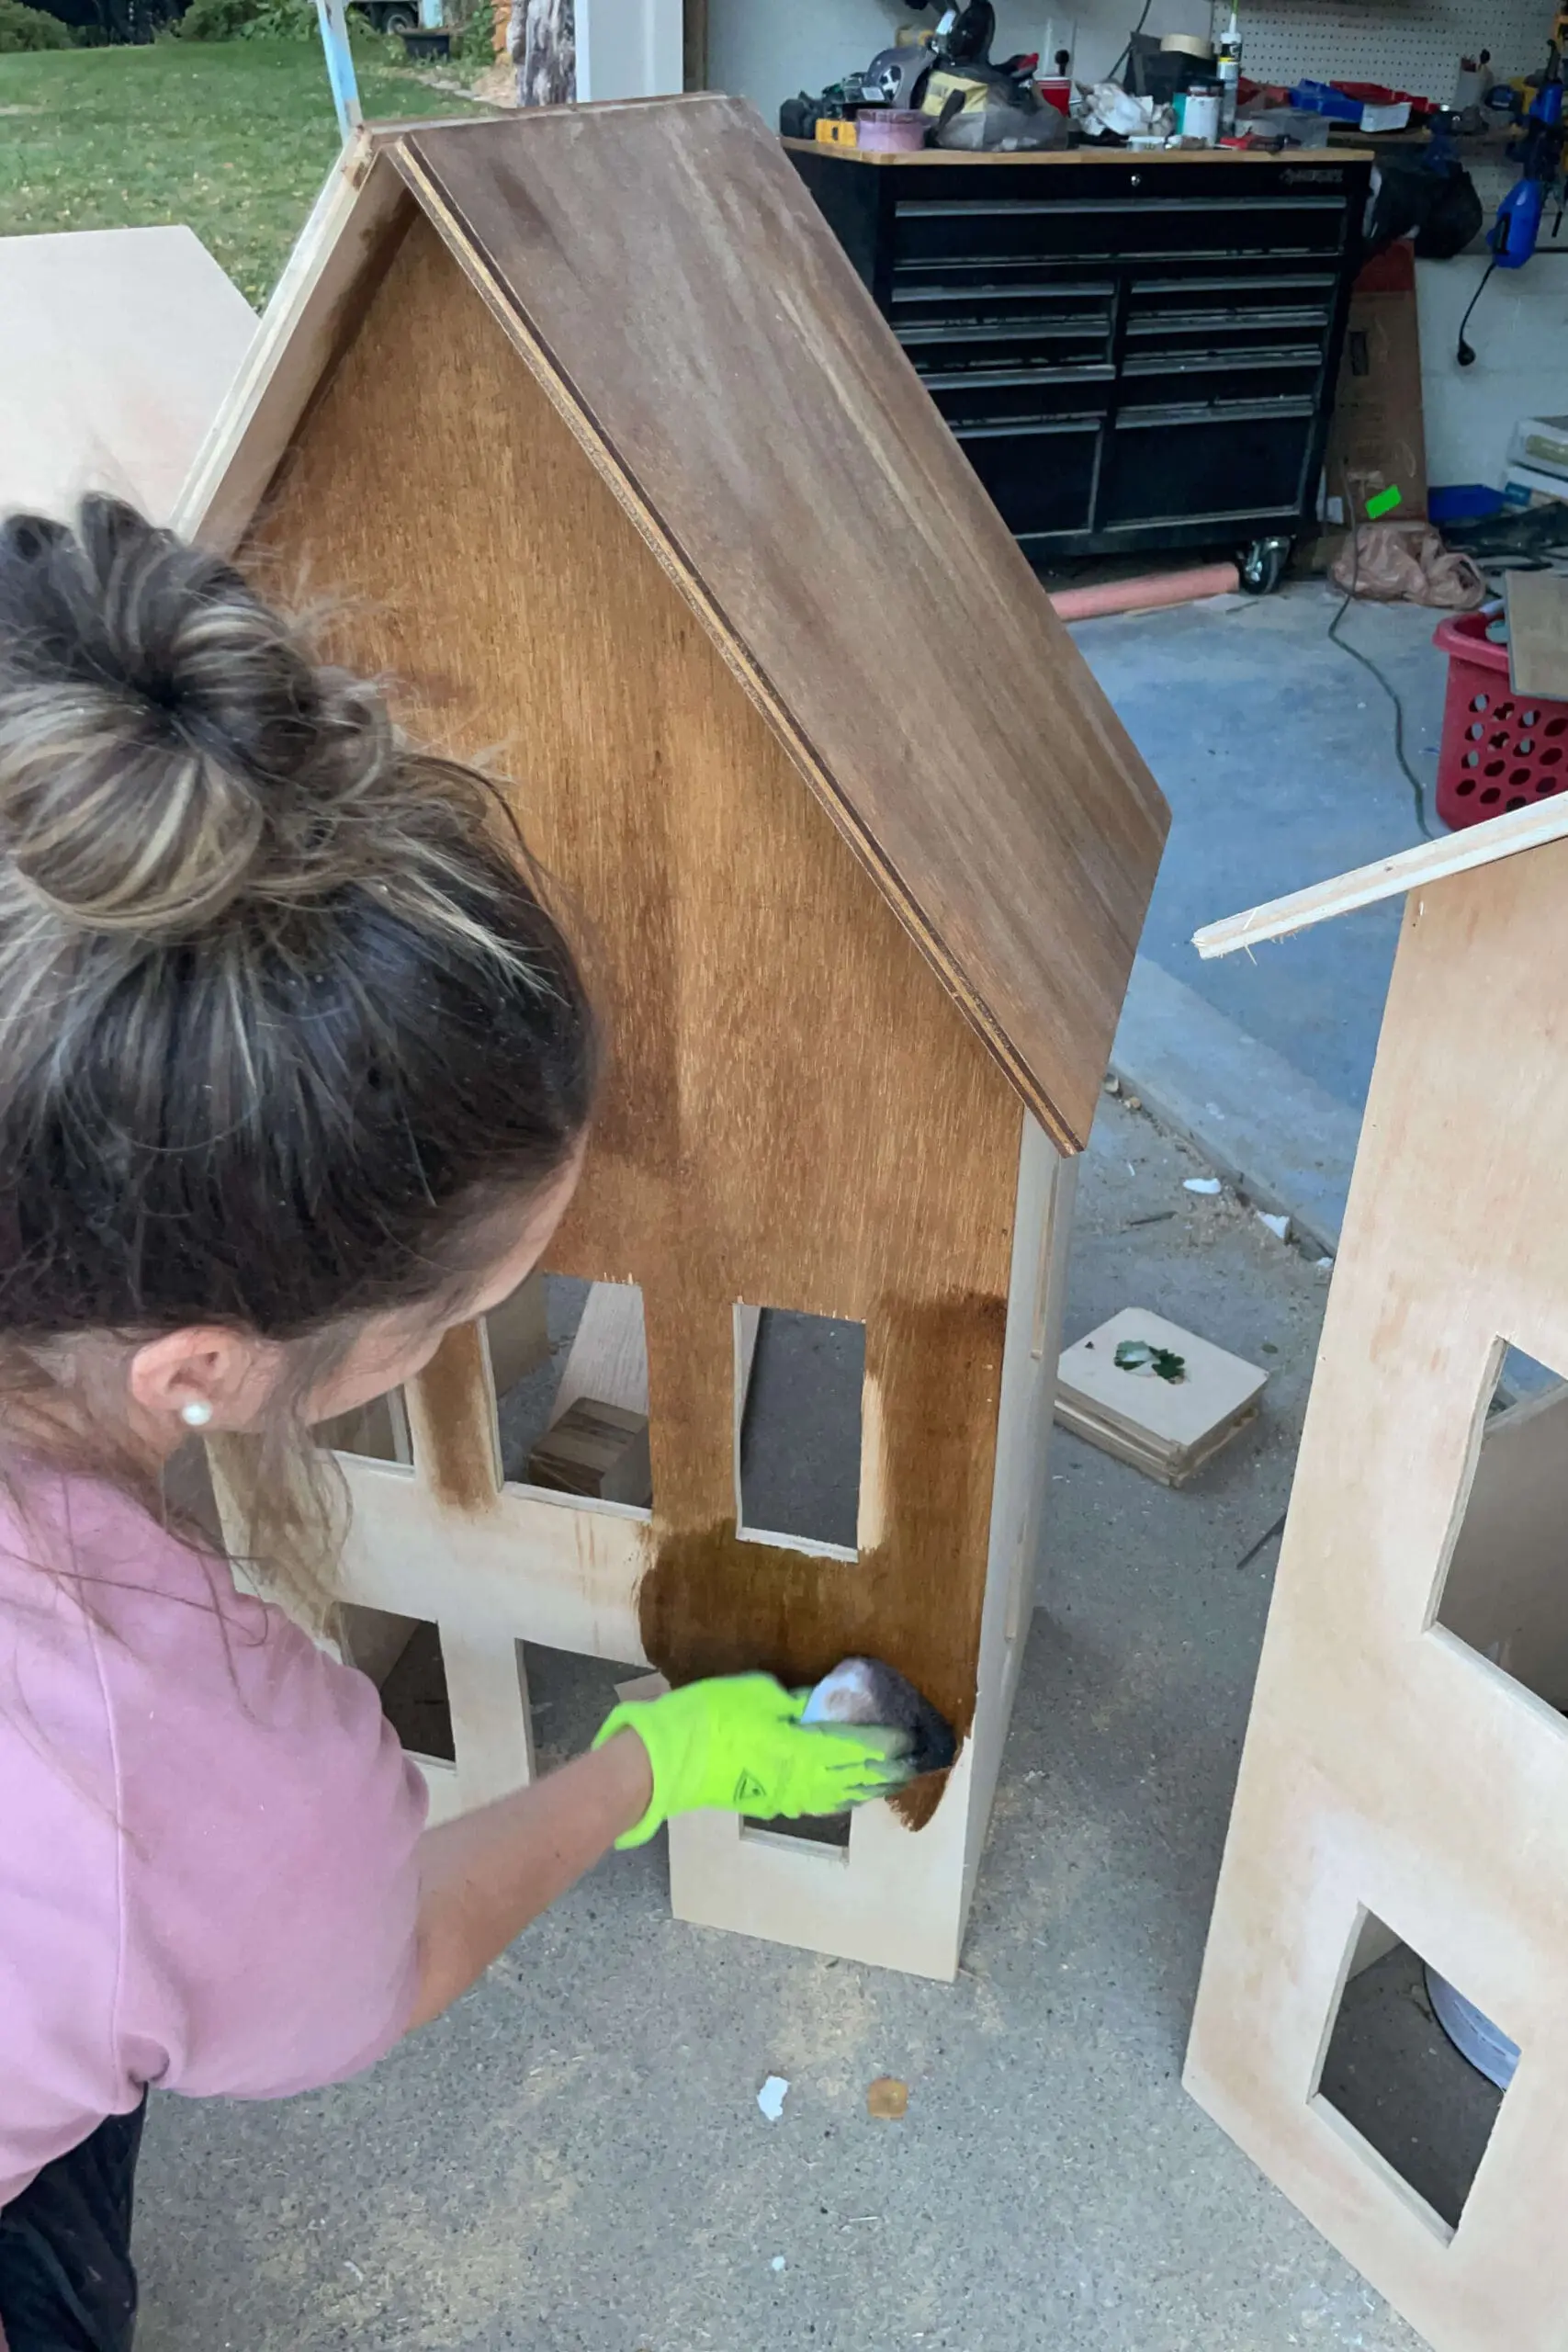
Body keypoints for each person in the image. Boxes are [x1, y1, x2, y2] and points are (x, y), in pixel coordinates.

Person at [0, 501, 915, 2352]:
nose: (491, 1322)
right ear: (202, 1365)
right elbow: (387, 1950)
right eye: (466, 1308)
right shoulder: (171, 1770)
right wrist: (644, 1765)